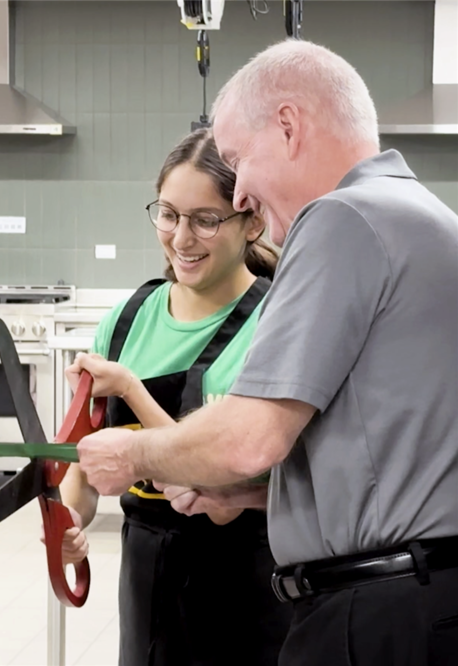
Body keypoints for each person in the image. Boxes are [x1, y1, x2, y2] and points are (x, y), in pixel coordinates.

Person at [77, 39, 458, 666]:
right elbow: (385, 457)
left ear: (288, 125)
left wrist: (134, 452)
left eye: (237, 159)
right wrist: (249, 495)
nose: (243, 193)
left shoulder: (343, 217)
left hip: (376, 612)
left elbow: (250, 439)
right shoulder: (418, 214)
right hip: (425, 600)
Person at [56, 128, 288, 666]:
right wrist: (69, 521)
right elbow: (81, 462)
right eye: (168, 214)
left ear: (251, 220)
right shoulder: (127, 319)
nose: (181, 238)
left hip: (241, 585)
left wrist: (133, 391)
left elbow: (221, 486)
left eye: (205, 219)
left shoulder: (273, 324)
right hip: (145, 576)